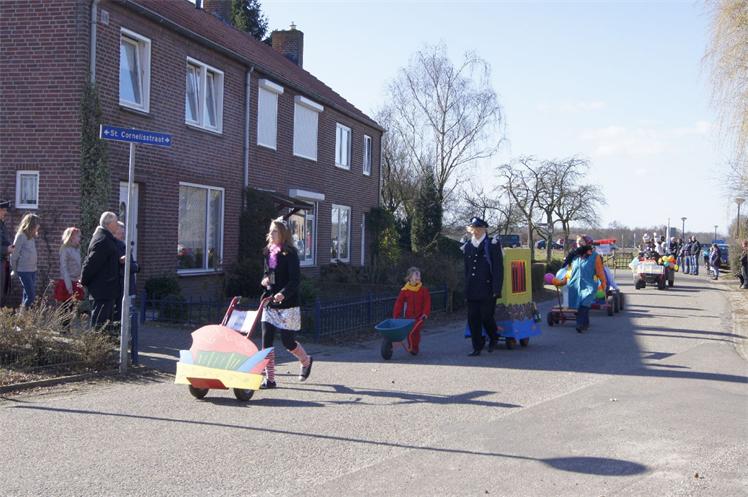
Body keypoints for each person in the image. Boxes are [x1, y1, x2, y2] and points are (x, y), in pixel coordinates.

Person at [259, 218, 312, 389]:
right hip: (270, 302)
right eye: (270, 231)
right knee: (266, 340)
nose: (271, 234)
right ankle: (270, 379)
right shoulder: (269, 252)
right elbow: (268, 273)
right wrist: (265, 280)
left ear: (283, 234)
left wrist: (283, 293)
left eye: (275, 231)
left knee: (288, 342)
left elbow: (295, 280)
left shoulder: (290, 254)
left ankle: (306, 361)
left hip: (288, 304)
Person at [462, 217, 503, 356]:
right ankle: (477, 347)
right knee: (473, 318)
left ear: (484, 229)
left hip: (488, 288)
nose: (476, 231)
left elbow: (498, 269)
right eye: (473, 229)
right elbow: (467, 270)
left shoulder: (492, 244)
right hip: (472, 288)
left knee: (486, 316)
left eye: (478, 228)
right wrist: (466, 288)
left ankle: (493, 336)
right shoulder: (468, 246)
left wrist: (497, 289)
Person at [559, 235, 606, 333]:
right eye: (577, 242)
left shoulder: (595, 256)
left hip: (589, 286)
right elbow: (568, 271)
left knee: (583, 304)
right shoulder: (574, 256)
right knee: (580, 306)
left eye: (581, 242)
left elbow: (600, 272)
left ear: (587, 243)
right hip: (575, 286)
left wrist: (603, 283)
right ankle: (585, 323)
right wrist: (563, 280)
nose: (579, 244)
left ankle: (579, 324)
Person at [81, 212, 121, 329]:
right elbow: (91, 263)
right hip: (102, 290)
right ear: (108, 224)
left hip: (107, 289)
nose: (118, 225)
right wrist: (83, 280)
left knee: (105, 325)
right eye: (116, 222)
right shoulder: (103, 240)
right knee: (99, 324)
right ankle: (94, 341)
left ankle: (101, 340)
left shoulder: (106, 238)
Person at [392, 267, 431, 355]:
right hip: (409, 317)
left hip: (419, 316)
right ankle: (412, 346)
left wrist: (425, 313)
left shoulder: (423, 290)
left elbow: (427, 302)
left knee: (414, 332)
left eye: (419, 276)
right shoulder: (405, 290)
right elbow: (399, 303)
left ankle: (414, 347)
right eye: (416, 276)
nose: (418, 278)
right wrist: (396, 315)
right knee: (410, 332)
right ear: (409, 278)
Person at [55, 227, 84, 327]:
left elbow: (78, 266)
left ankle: (67, 327)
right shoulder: (65, 249)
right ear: (71, 237)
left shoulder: (77, 249)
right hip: (67, 282)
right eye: (78, 236)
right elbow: (64, 268)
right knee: (66, 307)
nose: (79, 238)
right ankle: (63, 328)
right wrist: (69, 287)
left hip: (75, 281)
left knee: (72, 307)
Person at [10, 213, 40, 310]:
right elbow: (13, 254)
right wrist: (14, 270)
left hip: (32, 270)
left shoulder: (31, 237)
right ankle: (22, 315)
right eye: (37, 224)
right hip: (23, 270)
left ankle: (22, 318)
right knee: (31, 297)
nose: (38, 226)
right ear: (31, 224)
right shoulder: (20, 236)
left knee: (26, 295)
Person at [0, 200, 13, 307]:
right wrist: (6, 249)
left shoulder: (2, 224)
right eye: (3, 210)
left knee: (3, 292)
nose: (5, 212)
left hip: (3, 261)